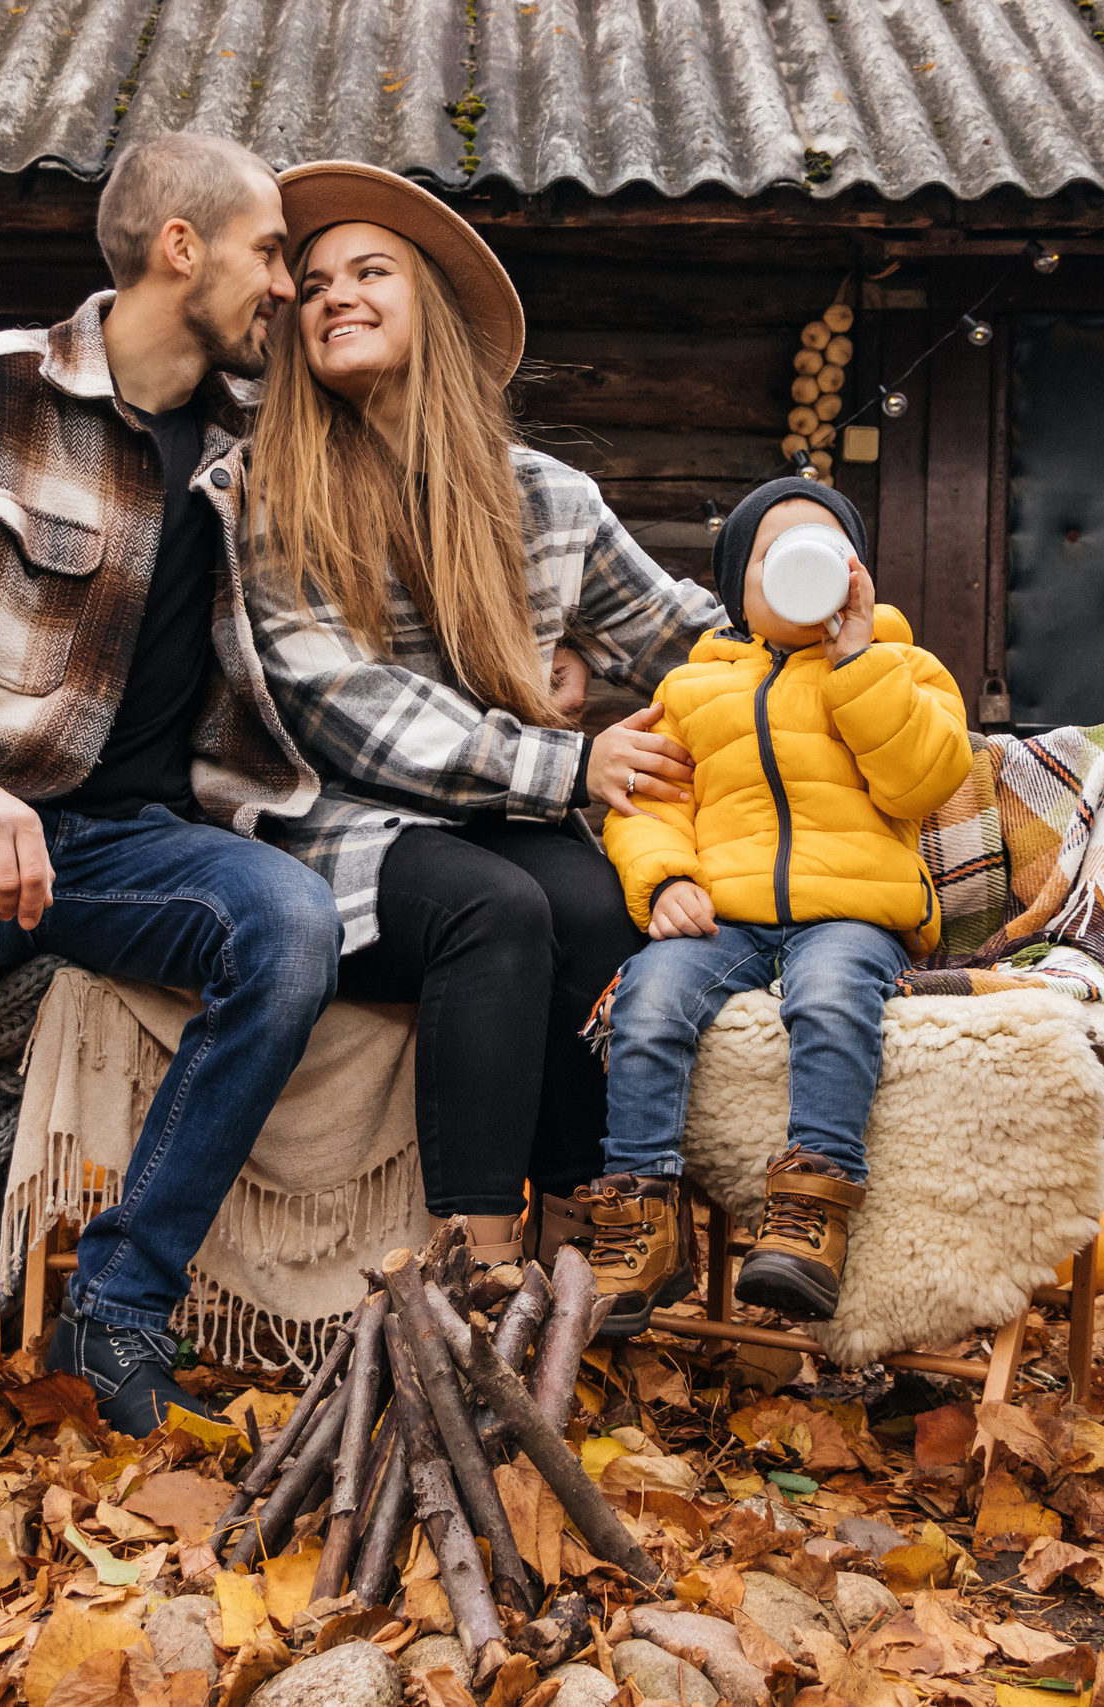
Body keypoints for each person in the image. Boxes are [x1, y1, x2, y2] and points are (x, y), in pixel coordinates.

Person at [0, 133, 344, 1533]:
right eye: (270, 251)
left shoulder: (256, 449)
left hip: (136, 842)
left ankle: (118, 1302)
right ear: (182, 246)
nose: (283, 283)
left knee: (286, 925)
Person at [241, 162, 724, 1268]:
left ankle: (584, 1245)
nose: (333, 296)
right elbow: (339, 705)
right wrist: (567, 764)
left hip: (500, 813)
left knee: (602, 909)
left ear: (436, 313)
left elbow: (677, 633)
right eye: (311, 283)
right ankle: (471, 1267)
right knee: (494, 911)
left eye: (371, 271)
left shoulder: (545, 498)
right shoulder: (270, 496)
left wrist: (840, 650)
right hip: (336, 827)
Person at [585, 479, 974, 1334]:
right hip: (728, 912)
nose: (803, 571)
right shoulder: (695, 689)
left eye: (827, 552)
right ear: (738, 590)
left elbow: (925, 778)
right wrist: (667, 879)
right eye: (774, 556)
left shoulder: (903, 667)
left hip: (854, 911)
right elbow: (651, 802)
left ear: (856, 575)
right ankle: (643, 1222)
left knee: (830, 994)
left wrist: (858, 663)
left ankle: (810, 1219)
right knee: (647, 996)